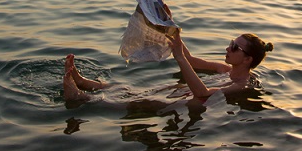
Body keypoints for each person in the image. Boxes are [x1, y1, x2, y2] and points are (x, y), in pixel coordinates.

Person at [62, 31, 274, 103]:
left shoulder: (242, 85)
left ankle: (81, 99)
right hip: (180, 93)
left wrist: (179, 57)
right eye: (230, 43)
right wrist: (171, 29)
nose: (228, 48)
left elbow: (204, 94)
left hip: (187, 101)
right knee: (129, 91)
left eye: (234, 47)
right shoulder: (224, 69)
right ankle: (83, 82)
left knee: (141, 102)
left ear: (247, 59)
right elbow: (192, 61)